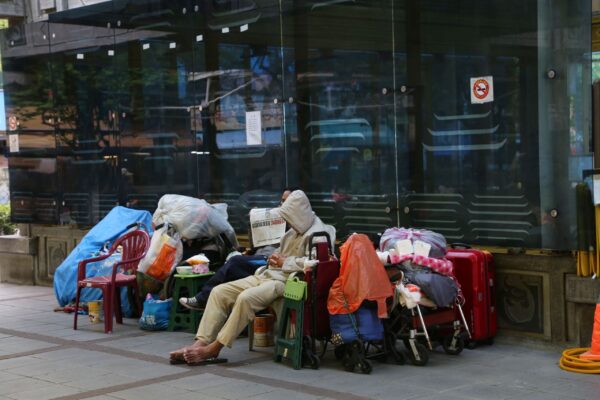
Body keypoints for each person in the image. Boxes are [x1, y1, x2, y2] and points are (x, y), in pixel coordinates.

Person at [170, 190, 335, 365]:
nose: (286, 221)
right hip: (269, 275)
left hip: (287, 282)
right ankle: (199, 344)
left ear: (297, 214)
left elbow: (315, 264)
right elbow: (280, 254)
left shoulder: (318, 233)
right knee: (219, 292)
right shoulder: (293, 230)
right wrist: (276, 258)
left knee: (246, 298)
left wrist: (286, 261)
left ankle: (214, 349)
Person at [177, 187, 299, 311]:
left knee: (235, 262)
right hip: (258, 257)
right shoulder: (277, 217)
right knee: (228, 266)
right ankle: (207, 303)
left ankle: (202, 298)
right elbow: (255, 246)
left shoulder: (297, 226)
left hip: (270, 262)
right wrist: (254, 223)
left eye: (286, 201)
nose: (282, 205)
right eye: (282, 201)